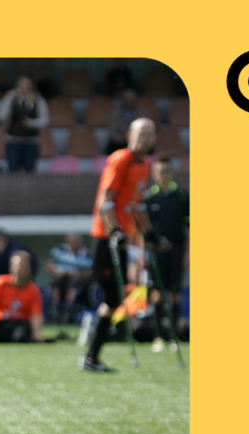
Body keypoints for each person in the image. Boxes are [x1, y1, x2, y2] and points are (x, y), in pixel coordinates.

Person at [79, 117, 161, 372]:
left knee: (114, 299)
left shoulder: (146, 165)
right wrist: (114, 230)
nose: (144, 138)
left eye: (149, 133)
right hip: (106, 237)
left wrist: (151, 234)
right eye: (140, 133)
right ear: (129, 136)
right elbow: (106, 201)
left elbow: (137, 205)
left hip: (122, 238)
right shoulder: (120, 159)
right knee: (112, 297)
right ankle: (91, 355)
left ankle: (92, 357)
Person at [144, 156, 189, 342]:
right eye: (160, 172)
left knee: (175, 293)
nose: (163, 175)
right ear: (154, 174)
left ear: (172, 173)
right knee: (156, 294)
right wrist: (141, 255)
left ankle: (175, 336)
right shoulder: (148, 197)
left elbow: (191, 229)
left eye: (167, 171)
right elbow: (141, 231)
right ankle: (159, 337)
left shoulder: (183, 196)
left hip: (177, 253)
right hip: (156, 254)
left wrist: (188, 254)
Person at [0, 251, 44, 343]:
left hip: (19, 324)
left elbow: (36, 314)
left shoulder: (33, 289)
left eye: (25, 266)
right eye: (18, 265)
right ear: (11, 267)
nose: (21, 269)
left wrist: (36, 332)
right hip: (0, 323)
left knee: (21, 337)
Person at [0, 76, 50, 173]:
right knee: (12, 169)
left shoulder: (39, 100)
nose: (24, 90)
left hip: (31, 141)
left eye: (27, 87)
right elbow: (1, 116)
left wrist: (31, 123)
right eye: (22, 87)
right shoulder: (12, 100)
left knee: (30, 169)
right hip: (13, 140)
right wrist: (8, 98)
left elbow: (44, 121)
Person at [45, 233, 93, 324]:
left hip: (78, 280)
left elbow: (91, 271)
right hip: (62, 278)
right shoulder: (60, 250)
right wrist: (57, 272)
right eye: (71, 242)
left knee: (74, 285)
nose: (73, 244)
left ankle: (69, 309)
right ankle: (55, 309)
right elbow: (49, 265)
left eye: (75, 242)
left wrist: (78, 273)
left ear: (81, 243)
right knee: (55, 283)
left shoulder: (87, 254)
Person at [106, 89, 147, 155]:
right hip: (120, 143)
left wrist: (135, 140)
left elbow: (145, 129)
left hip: (137, 142)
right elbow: (112, 132)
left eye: (131, 99)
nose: (129, 101)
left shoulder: (141, 113)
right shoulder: (116, 113)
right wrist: (125, 140)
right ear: (122, 99)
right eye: (127, 98)